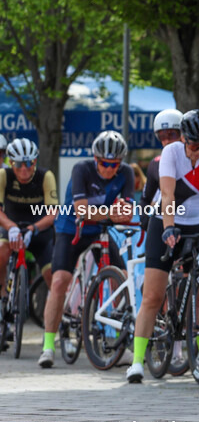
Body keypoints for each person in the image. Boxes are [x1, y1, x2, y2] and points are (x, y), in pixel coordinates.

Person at [127, 110, 199, 383]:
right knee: (153, 296)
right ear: (182, 138)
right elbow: (167, 193)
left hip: (198, 224)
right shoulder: (172, 154)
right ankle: (136, 362)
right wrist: (168, 226)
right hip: (165, 222)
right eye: (194, 145)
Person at [40, 131, 134, 368]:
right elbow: (81, 211)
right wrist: (113, 214)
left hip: (101, 227)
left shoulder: (127, 173)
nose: (109, 168)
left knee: (121, 279)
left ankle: (116, 341)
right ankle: (48, 346)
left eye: (114, 164)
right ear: (95, 159)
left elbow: (128, 211)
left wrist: (122, 212)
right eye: (104, 163)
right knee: (60, 280)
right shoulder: (81, 169)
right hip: (72, 227)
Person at [0, 139, 58, 308]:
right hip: (12, 228)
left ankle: (60, 323)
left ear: (35, 161)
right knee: (1, 254)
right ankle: (2, 298)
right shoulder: (4, 176)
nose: (24, 169)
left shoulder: (45, 176)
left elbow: (53, 212)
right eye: (18, 164)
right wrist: (11, 227)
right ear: (10, 163)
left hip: (39, 230)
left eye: (28, 163)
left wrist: (34, 228)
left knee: (53, 277)